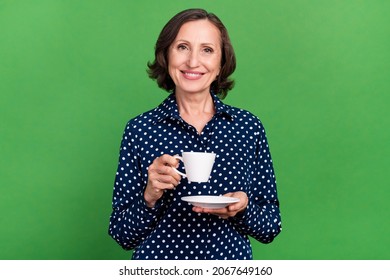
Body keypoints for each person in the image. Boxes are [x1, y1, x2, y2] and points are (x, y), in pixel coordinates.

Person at [108, 8, 282, 260]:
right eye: (182, 47)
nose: (192, 62)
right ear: (166, 55)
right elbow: (122, 235)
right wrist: (150, 195)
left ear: (222, 62)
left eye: (207, 50)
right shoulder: (140, 129)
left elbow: (270, 228)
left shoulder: (247, 127)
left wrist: (243, 208)